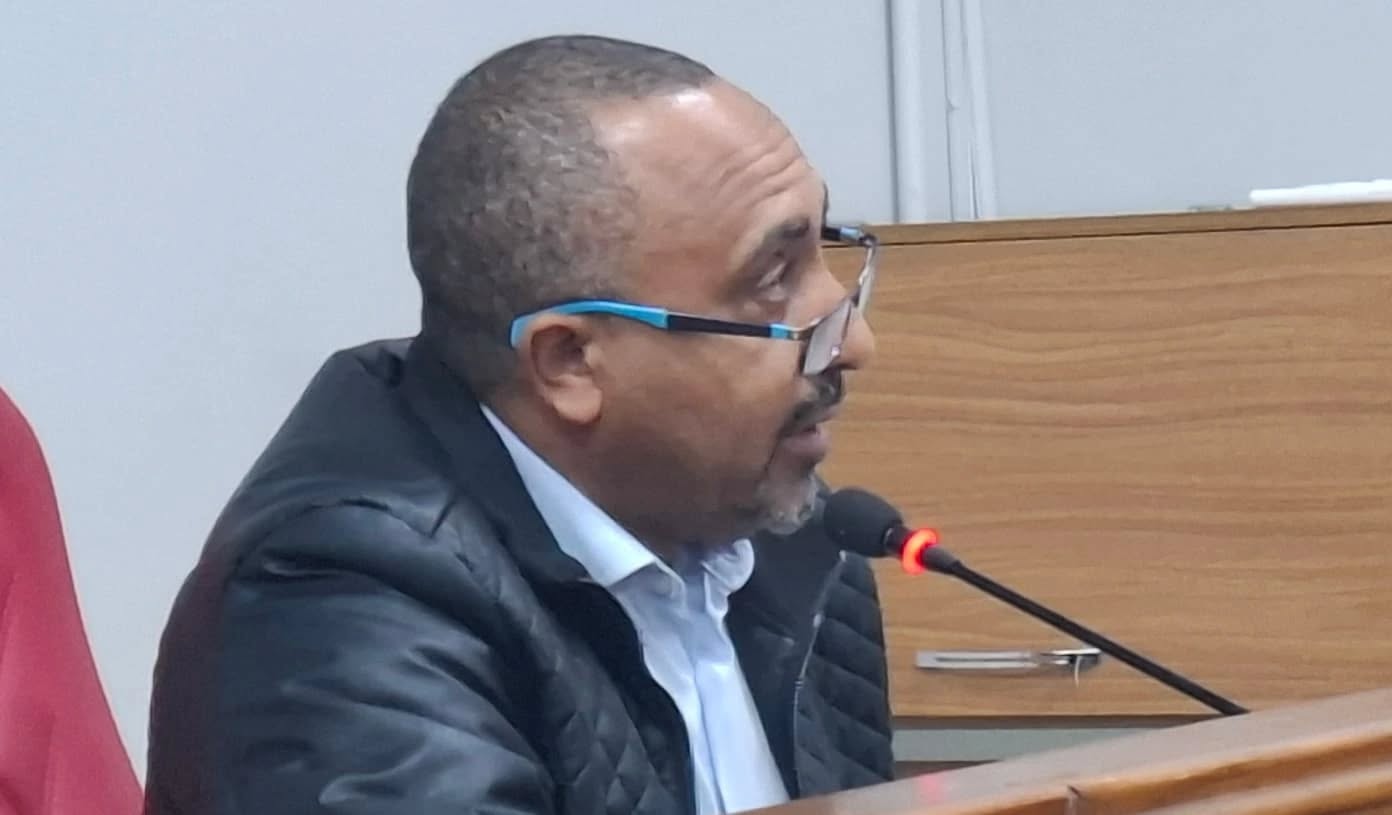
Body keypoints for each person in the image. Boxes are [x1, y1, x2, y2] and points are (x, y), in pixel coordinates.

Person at [145, 34, 890, 815]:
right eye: (772, 279)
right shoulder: (343, 598)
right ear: (568, 362)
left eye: (824, 245)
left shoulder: (789, 535)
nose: (855, 342)